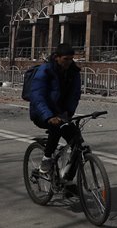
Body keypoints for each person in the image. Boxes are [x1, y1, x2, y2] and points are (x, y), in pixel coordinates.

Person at [29, 43, 82, 173]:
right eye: (65, 59)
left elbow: (75, 95)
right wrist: (49, 116)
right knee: (56, 128)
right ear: (57, 57)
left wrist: (68, 113)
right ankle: (46, 158)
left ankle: (68, 178)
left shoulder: (74, 72)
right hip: (42, 113)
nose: (68, 62)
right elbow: (37, 95)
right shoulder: (46, 70)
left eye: (71, 59)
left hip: (61, 113)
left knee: (77, 142)